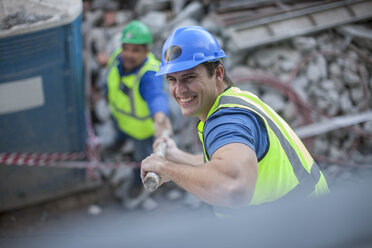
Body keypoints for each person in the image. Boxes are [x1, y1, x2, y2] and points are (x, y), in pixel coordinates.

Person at [141, 26, 329, 213]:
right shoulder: (236, 99)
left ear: (218, 74)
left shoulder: (227, 119)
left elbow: (233, 187)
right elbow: (222, 163)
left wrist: (166, 168)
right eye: (172, 80)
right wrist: (178, 156)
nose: (179, 90)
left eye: (189, 77)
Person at [105, 20, 172, 208]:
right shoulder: (117, 57)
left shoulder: (149, 74)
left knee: (140, 160)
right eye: (126, 48)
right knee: (119, 135)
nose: (128, 54)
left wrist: (160, 115)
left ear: (146, 51)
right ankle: (117, 144)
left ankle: (137, 183)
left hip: (142, 132)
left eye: (135, 50)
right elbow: (110, 79)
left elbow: (157, 97)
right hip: (121, 119)